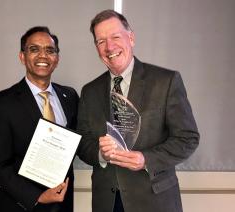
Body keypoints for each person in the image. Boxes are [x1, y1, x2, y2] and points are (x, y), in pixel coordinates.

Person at [77, 9, 199, 212]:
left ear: (131, 38)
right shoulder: (89, 91)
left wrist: (146, 160)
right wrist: (101, 154)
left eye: (115, 36)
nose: (109, 47)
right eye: (101, 41)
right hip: (106, 202)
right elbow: (83, 142)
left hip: (154, 201)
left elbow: (188, 138)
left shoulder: (166, 81)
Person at [0, 26, 78, 212]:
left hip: (63, 206)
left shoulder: (70, 97)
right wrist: (36, 196)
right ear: (22, 56)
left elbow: (79, 141)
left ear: (57, 59)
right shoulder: (3, 103)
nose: (43, 56)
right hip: (21, 206)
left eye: (50, 50)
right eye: (34, 49)